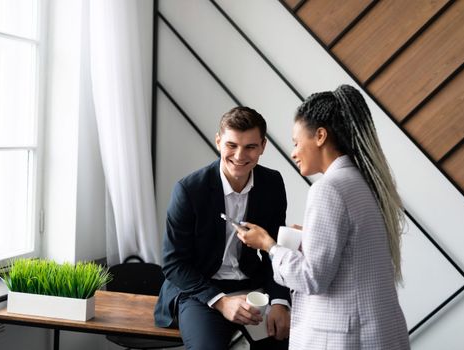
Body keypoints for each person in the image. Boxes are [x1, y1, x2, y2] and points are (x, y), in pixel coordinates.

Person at [236, 85, 410, 349]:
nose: (293, 152)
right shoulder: (366, 181)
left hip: (346, 337)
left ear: (319, 136)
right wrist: (310, 238)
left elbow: (312, 278)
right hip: (379, 330)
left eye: (296, 142)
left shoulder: (327, 189)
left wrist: (269, 246)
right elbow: (356, 250)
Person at [154, 106, 291, 350]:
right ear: (218, 142)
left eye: (250, 146)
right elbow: (174, 263)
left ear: (263, 146)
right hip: (200, 290)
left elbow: (274, 250)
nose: (240, 156)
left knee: (285, 342)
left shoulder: (272, 184)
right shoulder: (188, 190)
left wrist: (281, 301)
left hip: (252, 285)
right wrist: (221, 302)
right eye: (232, 145)